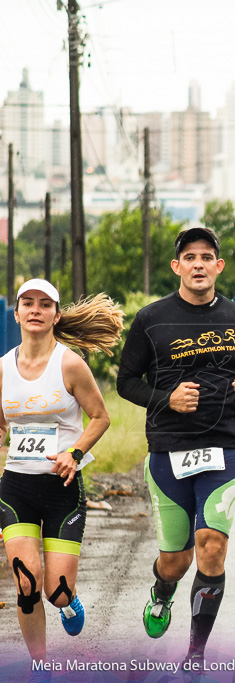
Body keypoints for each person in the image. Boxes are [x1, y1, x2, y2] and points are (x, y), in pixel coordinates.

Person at [117, 226, 235, 672]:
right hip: (168, 450)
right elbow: (127, 382)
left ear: (219, 266)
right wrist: (167, 399)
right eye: (190, 257)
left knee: (212, 546)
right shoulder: (152, 319)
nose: (199, 264)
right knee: (175, 560)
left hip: (224, 449)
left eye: (207, 257)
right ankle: (162, 592)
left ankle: (196, 653)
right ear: (177, 266)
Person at [0, 279, 121, 674]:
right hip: (16, 486)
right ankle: (40, 667)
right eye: (27, 303)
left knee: (55, 592)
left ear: (56, 314)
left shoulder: (69, 363)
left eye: (44, 304)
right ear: (16, 314)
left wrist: (75, 451)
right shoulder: (2, 369)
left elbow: (101, 418)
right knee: (25, 581)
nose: (35, 310)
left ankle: (68, 602)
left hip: (62, 489)